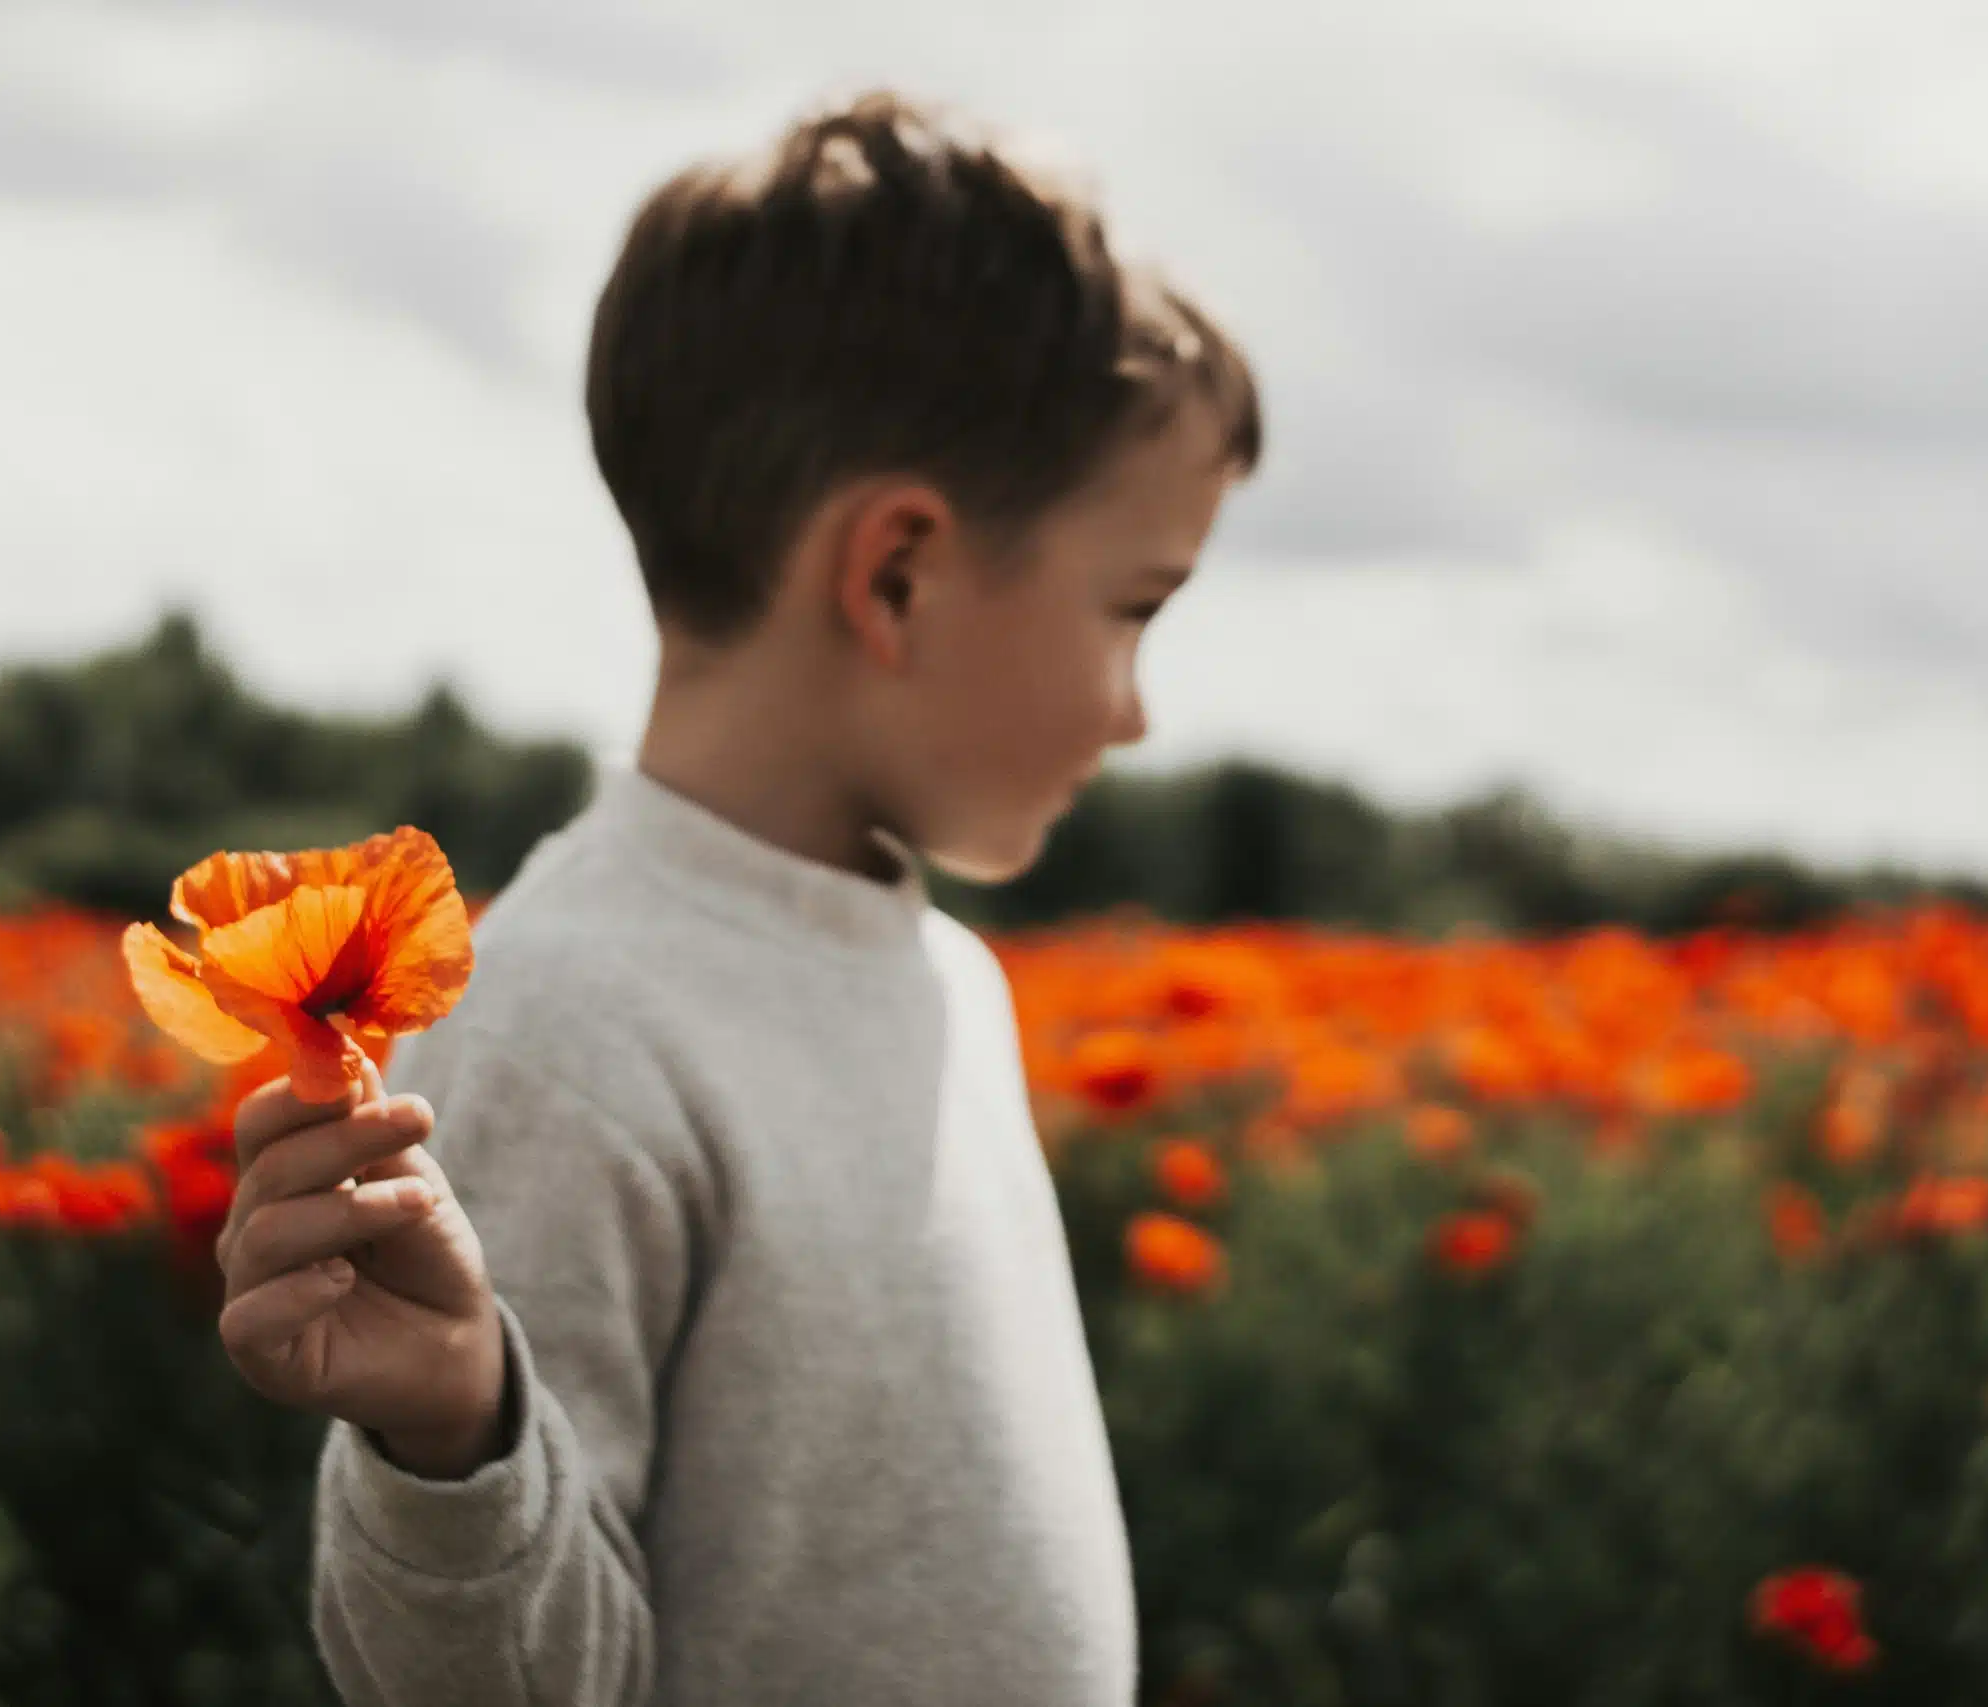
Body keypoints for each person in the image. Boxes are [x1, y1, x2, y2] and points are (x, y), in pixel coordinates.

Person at [213, 83, 1262, 1706]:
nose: (1136, 710)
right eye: (1135, 608)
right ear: (894, 574)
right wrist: (454, 1432)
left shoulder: (945, 981)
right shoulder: (567, 1025)